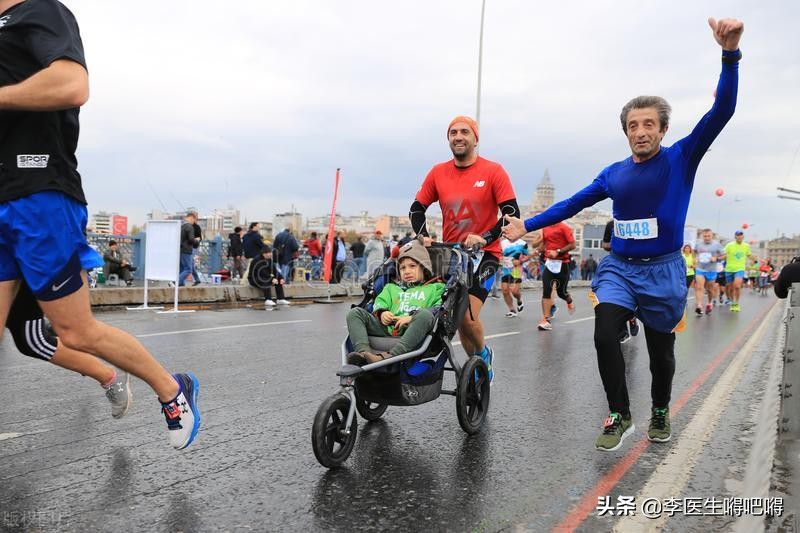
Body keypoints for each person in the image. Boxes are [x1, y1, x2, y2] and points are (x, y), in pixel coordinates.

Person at [503, 17, 743, 451]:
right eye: (633, 125)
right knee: (603, 332)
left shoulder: (680, 158)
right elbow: (572, 203)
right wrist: (527, 224)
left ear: (663, 129)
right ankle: (619, 413)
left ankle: (659, 409)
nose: (641, 132)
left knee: (660, 355)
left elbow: (721, 111)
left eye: (649, 124)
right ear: (626, 132)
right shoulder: (612, 174)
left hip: (664, 271)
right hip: (620, 269)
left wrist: (730, 54)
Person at [0, 0, 202, 450]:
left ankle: (172, 388)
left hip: (38, 194)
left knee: (75, 332)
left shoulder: (41, 12)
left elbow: (73, 84)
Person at [409, 115, 521, 384]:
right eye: (453, 133)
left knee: (467, 318)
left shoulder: (493, 171)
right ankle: (474, 369)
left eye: (464, 132)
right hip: (450, 254)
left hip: (485, 255)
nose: (458, 137)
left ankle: (483, 355)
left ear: (475, 138)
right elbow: (416, 209)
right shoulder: (438, 172)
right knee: (455, 320)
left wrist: (485, 237)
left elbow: (511, 213)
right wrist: (423, 236)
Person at [8, 281, 132, 418]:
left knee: (33, 340)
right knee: (31, 337)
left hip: (21, 268)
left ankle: (110, 376)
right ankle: (67, 341)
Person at [346, 240, 445, 365]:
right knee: (355, 313)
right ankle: (363, 354)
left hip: (414, 329)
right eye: (402, 268)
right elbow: (380, 302)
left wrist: (411, 317)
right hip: (388, 328)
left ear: (424, 268)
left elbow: (438, 309)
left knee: (425, 315)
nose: (407, 271)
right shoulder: (391, 288)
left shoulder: (435, 288)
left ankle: (392, 354)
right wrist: (382, 313)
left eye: (412, 266)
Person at [528, 223, 576, 331]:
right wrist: (537, 249)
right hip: (549, 264)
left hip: (563, 264)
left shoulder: (565, 228)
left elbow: (573, 245)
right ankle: (546, 320)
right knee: (546, 291)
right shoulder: (545, 228)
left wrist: (558, 251)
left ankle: (568, 299)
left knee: (561, 293)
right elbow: (542, 246)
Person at [602, 220, 640, 342]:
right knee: (616, 297)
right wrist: (616, 244)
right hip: (616, 265)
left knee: (630, 295)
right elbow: (604, 244)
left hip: (635, 265)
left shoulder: (637, 222)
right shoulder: (611, 224)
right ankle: (622, 332)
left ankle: (632, 317)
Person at [723, 229, 755, 312]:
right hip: (729, 269)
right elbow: (723, 254)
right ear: (735, 237)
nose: (739, 236)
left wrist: (753, 259)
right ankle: (731, 299)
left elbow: (749, 255)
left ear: (743, 236)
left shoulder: (746, 246)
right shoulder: (729, 245)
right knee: (729, 288)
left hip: (740, 269)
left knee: (737, 286)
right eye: (738, 235)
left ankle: (736, 303)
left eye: (741, 235)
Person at [694, 230, 725, 315]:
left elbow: (725, 255)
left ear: (712, 236)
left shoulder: (716, 244)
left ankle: (710, 302)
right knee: (699, 287)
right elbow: (694, 252)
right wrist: (695, 258)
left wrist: (716, 258)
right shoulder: (698, 244)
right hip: (700, 269)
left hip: (711, 270)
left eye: (708, 236)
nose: (706, 238)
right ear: (702, 236)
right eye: (705, 236)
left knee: (710, 289)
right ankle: (699, 306)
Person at [500, 238, 528, 317]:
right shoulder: (502, 243)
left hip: (516, 269)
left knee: (514, 291)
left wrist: (521, 261)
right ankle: (512, 310)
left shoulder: (522, 243)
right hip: (505, 269)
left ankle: (519, 300)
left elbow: (527, 255)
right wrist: (500, 259)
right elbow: (499, 254)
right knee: (505, 290)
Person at [178, 211, 199, 287]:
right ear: (192, 218)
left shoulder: (181, 226)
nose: (194, 222)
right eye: (195, 220)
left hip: (180, 250)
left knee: (182, 268)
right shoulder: (189, 226)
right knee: (188, 269)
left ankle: (180, 284)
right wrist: (196, 241)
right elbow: (191, 239)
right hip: (186, 250)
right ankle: (176, 282)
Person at [190, 220, 203, 285]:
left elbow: (199, 238)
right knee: (189, 263)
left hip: (193, 247)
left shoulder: (196, 227)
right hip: (187, 247)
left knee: (189, 263)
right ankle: (197, 279)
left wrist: (194, 241)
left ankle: (179, 280)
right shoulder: (187, 226)